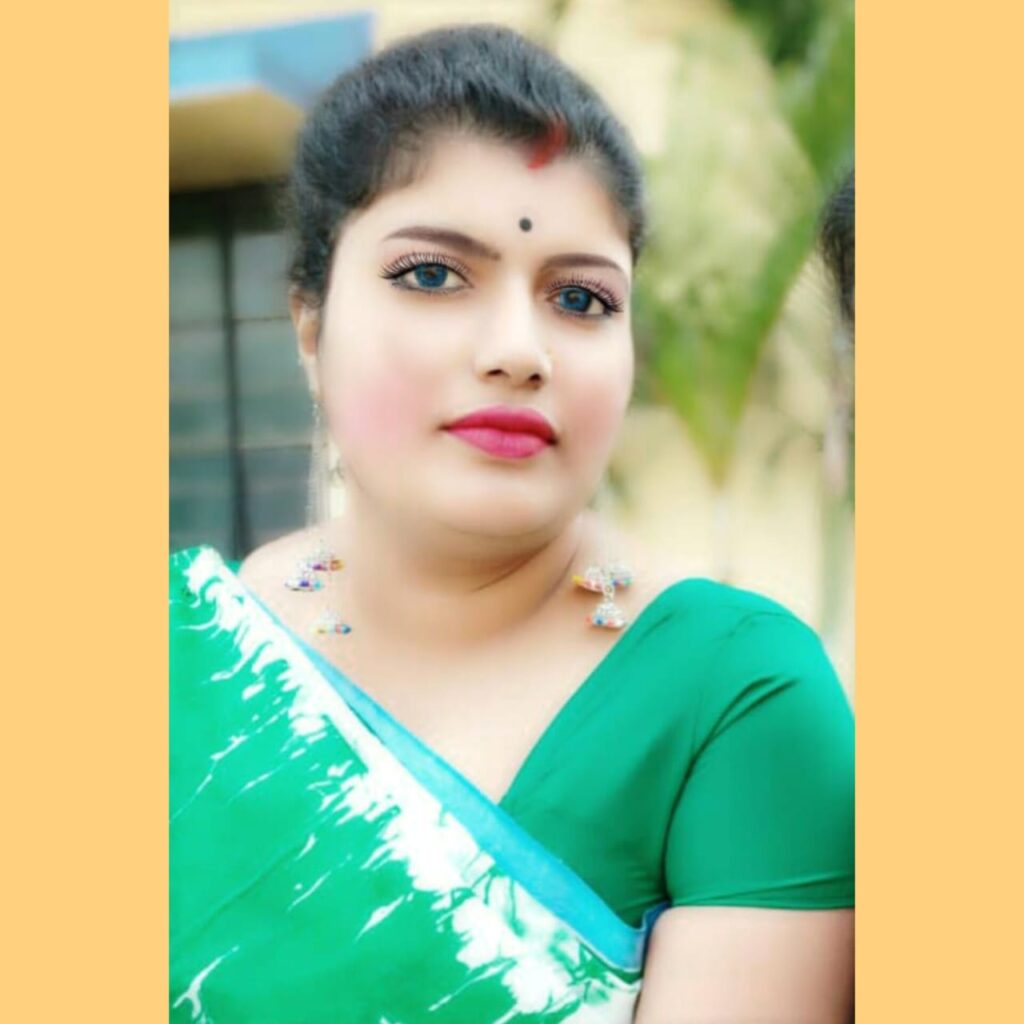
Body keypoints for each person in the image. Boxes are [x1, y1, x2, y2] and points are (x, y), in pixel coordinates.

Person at [170, 24, 854, 1023]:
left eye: (581, 297)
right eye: (432, 275)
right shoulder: (181, 644)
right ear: (310, 327)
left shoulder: (736, 696)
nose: (519, 350)